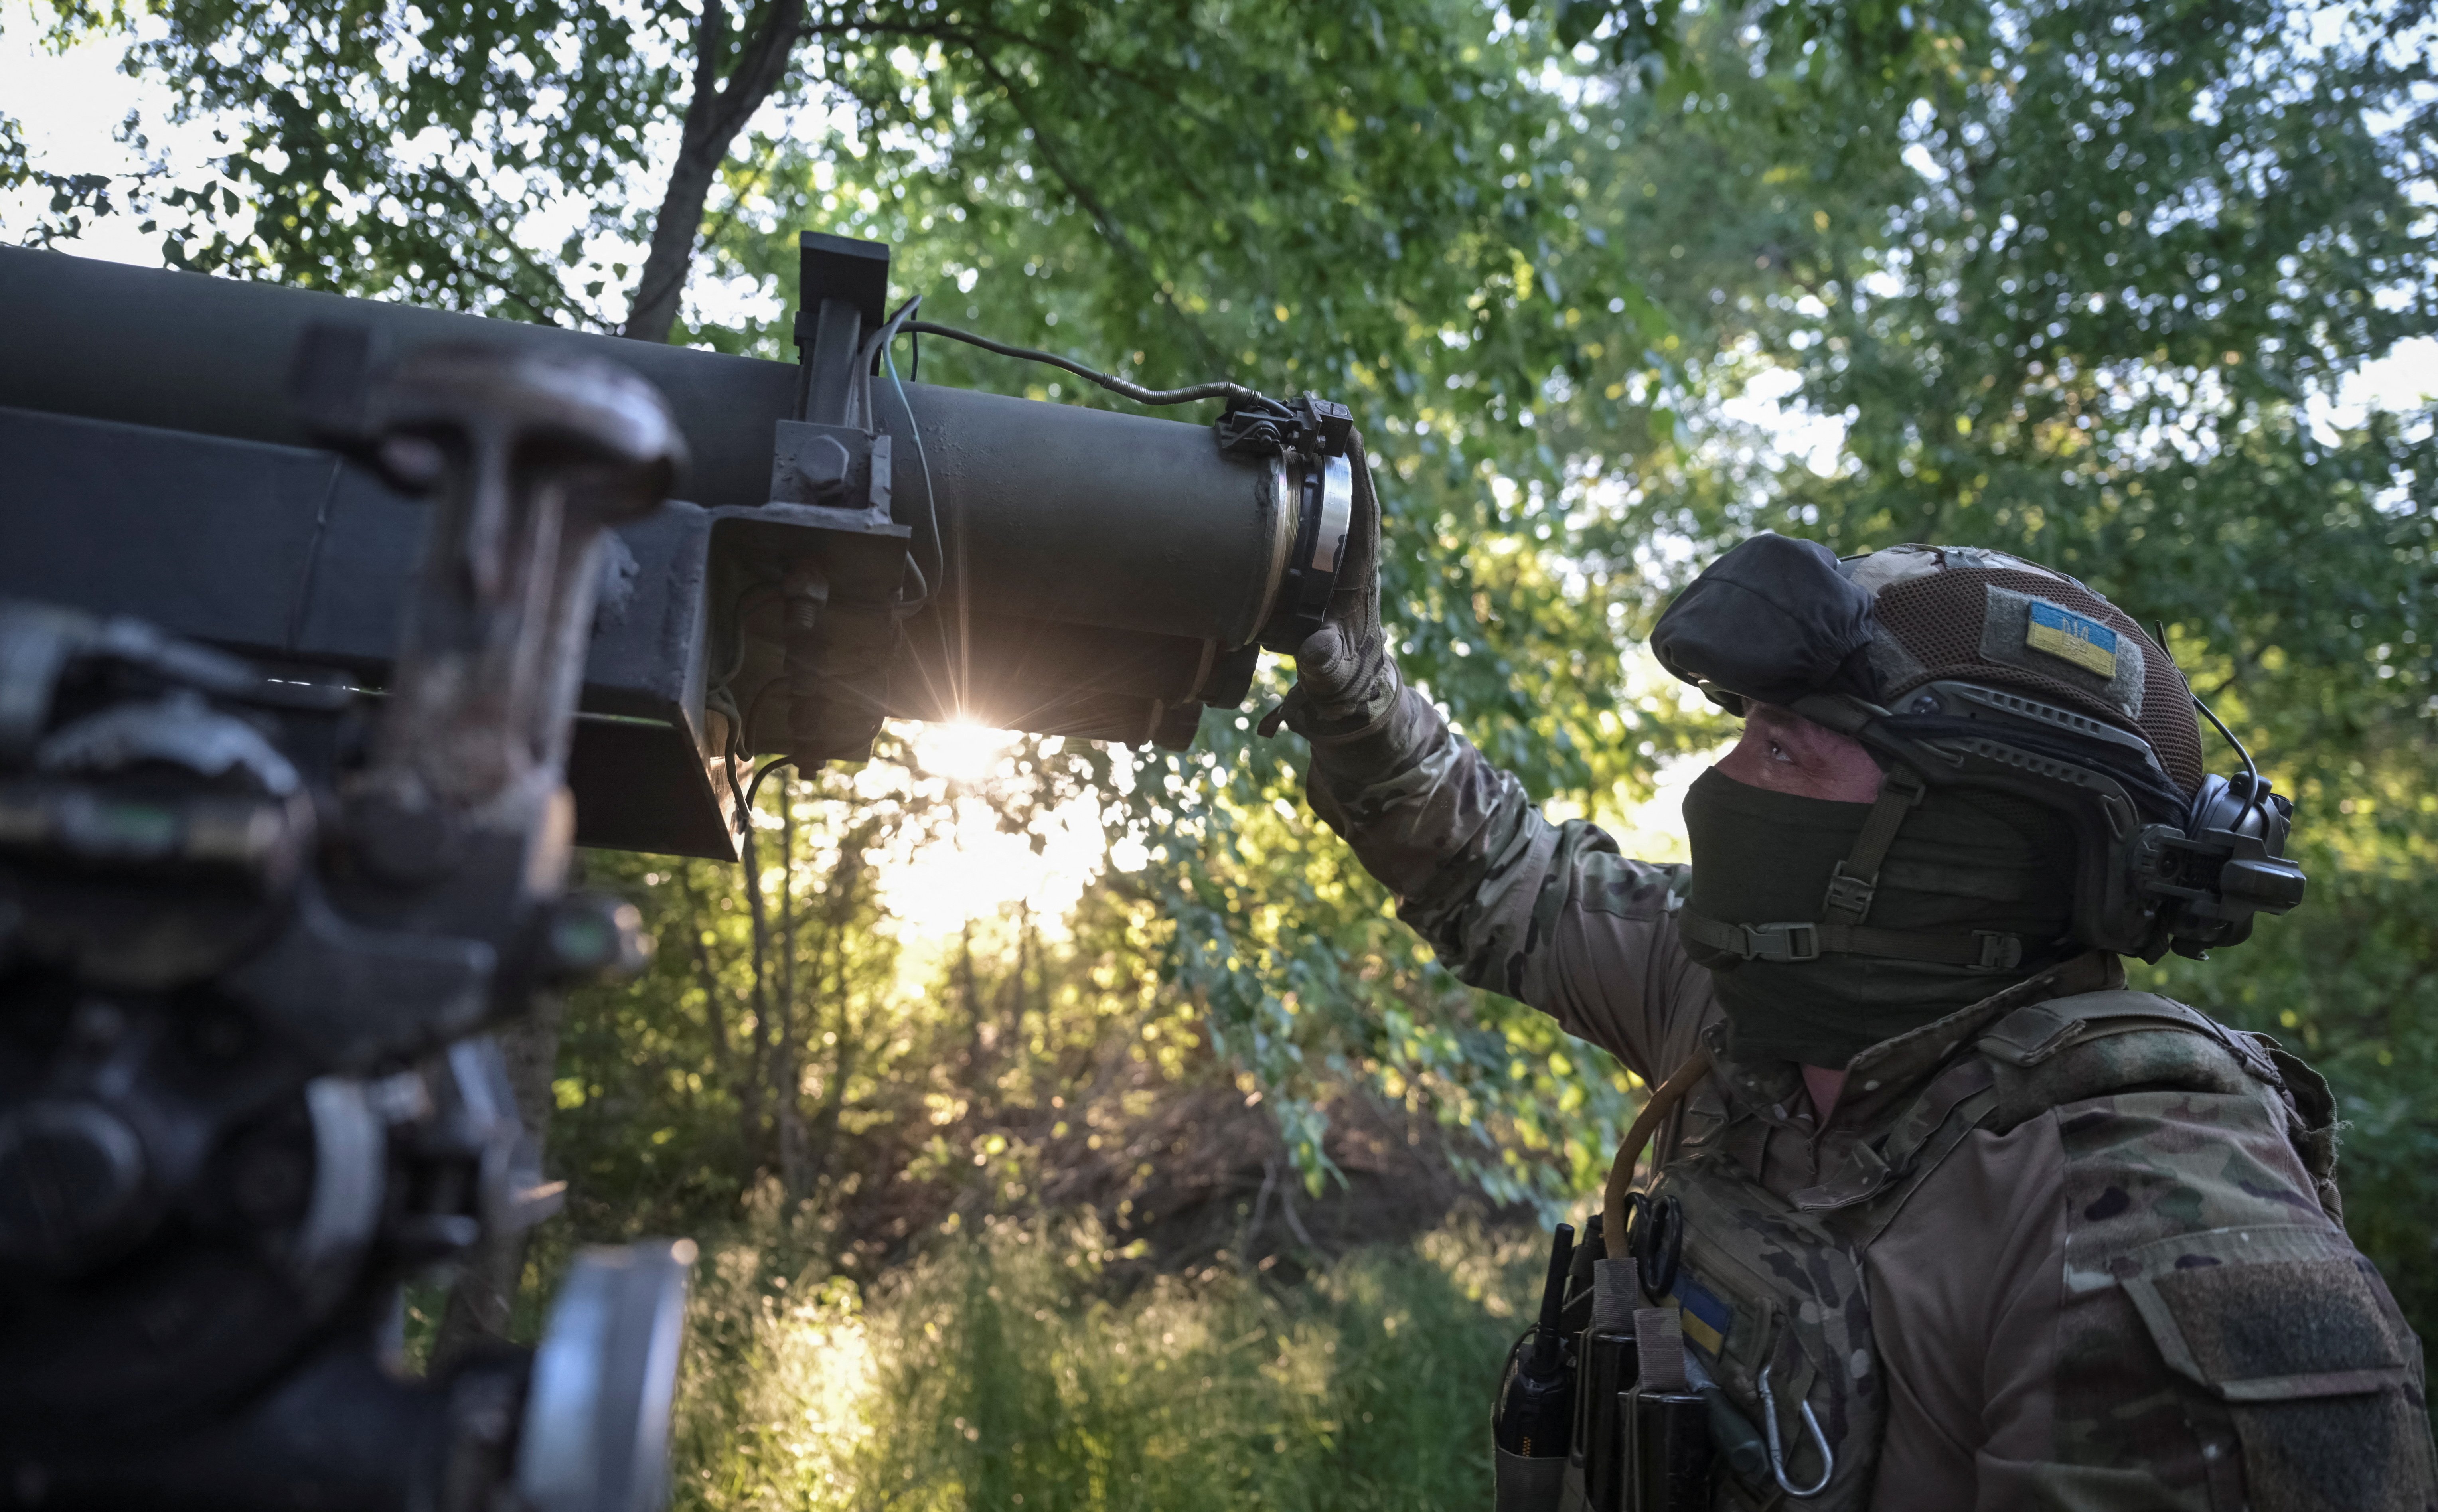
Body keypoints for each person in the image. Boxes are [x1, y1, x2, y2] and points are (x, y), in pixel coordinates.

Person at [1277, 446, 2434, 1511]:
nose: (1717, 783)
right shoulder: (1736, 1001)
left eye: (1781, 747)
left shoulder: (2158, 1235)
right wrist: (1348, 679)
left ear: (1967, 841)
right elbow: (1504, 876)